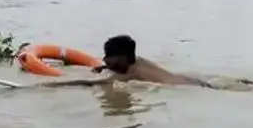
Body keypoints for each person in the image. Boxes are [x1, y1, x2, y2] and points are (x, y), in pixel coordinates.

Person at [36, 35, 211, 88]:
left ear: (123, 58)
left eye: (109, 57)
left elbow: (89, 83)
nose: (105, 59)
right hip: (194, 81)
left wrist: (48, 85)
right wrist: (105, 66)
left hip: (192, 87)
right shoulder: (137, 60)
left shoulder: (132, 74)